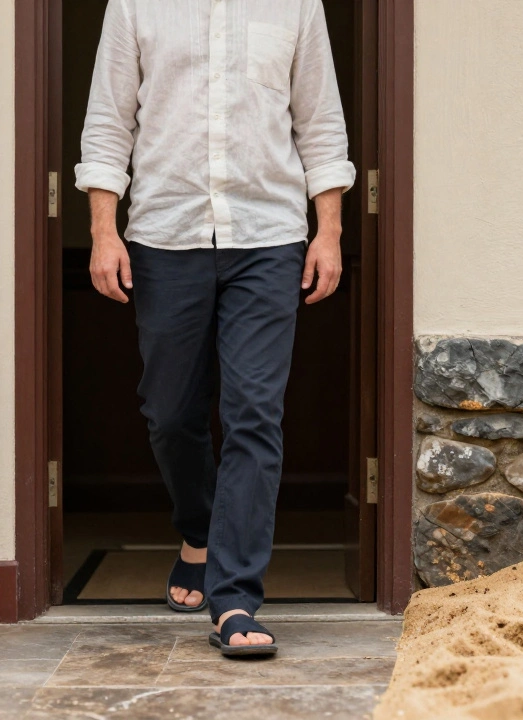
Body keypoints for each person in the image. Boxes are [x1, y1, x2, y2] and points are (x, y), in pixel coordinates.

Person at [76, 0, 355, 652]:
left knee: (254, 410)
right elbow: (108, 121)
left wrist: (330, 233)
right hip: (165, 235)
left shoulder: (297, 7)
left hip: (269, 236)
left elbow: (320, 122)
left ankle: (235, 600)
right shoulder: (134, 6)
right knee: (169, 414)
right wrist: (102, 232)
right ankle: (198, 529)